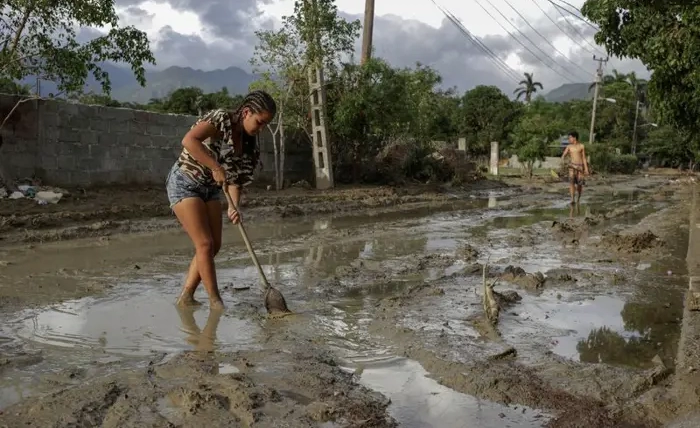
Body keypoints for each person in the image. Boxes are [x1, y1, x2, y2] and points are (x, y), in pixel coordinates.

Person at [165, 90, 277, 310]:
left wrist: (233, 206)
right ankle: (216, 303)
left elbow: (235, 180)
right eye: (259, 122)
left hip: (211, 189)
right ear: (246, 112)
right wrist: (215, 166)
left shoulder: (249, 144)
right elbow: (189, 140)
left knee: (214, 246)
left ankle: (186, 296)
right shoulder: (220, 119)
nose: (261, 129)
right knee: (204, 244)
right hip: (185, 181)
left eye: (265, 125)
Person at [561, 131, 589, 205]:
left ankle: (578, 199)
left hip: (580, 167)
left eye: (570, 138)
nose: (569, 139)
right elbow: (563, 156)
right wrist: (565, 161)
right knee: (571, 183)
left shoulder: (581, 146)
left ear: (574, 138)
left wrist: (586, 169)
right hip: (572, 167)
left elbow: (584, 158)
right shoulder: (569, 147)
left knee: (579, 185)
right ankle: (572, 199)